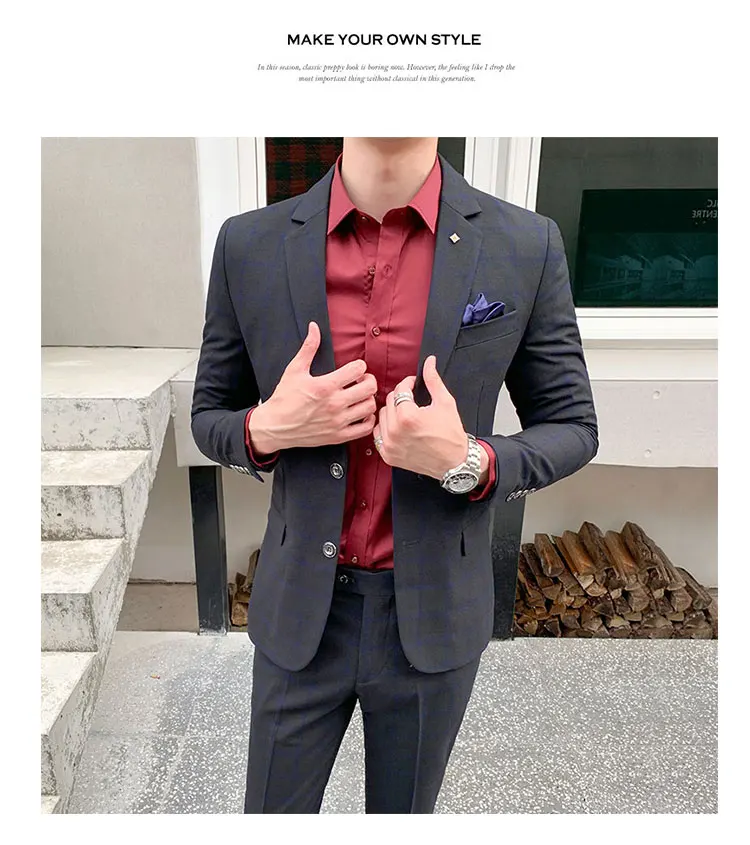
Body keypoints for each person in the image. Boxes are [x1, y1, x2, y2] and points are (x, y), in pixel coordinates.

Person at [191, 137, 598, 814]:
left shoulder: (525, 243)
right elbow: (209, 415)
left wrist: (470, 460)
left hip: (433, 615)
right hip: (300, 612)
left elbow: (573, 425)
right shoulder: (249, 243)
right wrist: (269, 428)